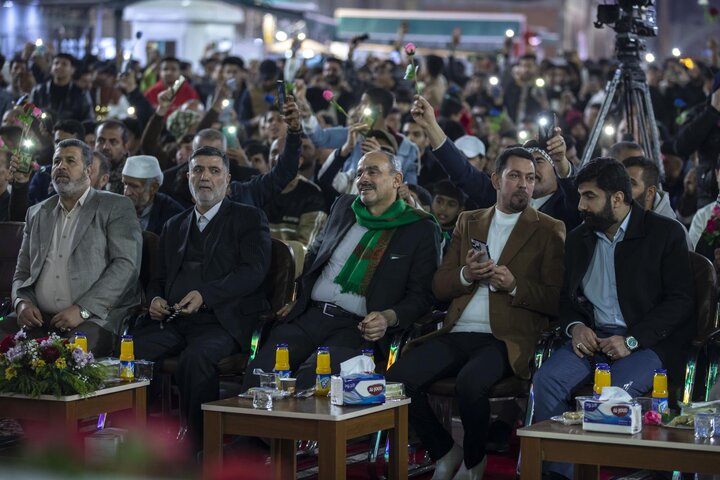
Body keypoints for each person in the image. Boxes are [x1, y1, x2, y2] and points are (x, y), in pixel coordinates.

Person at [387, 147, 565, 480]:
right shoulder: (470, 221)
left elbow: (554, 300)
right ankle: (444, 450)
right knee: (396, 382)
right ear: (496, 180)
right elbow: (439, 286)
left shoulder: (549, 229)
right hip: (458, 330)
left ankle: (474, 461)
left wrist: (514, 285)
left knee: (471, 384)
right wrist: (466, 275)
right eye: (515, 176)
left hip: (504, 337)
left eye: (531, 178)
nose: (524, 185)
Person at [532, 157, 694, 480]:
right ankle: (558, 474)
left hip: (648, 342)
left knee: (608, 397)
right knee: (545, 382)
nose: (580, 205)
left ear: (617, 198)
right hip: (593, 339)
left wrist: (632, 340)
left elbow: (680, 302)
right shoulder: (580, 239)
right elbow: (566, 300)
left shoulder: (664, 234)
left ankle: (634, 472)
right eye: (581, 195)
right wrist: (575, 327)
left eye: (589, 196)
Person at [242, 150, 442, 392]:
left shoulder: (419, 228)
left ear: (397, 180)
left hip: (357, 330)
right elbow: (315, 257)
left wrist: (388, 317)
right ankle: (255, 431)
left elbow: (421, 295)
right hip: (309, 318)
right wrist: (296, 298)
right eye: (359, 173)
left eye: (373, 171)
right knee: (259, 377)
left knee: (313, 386)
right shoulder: (344, 207)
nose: (363, 178)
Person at [132, 145, 271, 452]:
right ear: (188, 177)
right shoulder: (175, 224)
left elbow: (254, 272)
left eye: (214, 170)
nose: (205, 177)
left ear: (228, 180)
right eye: (197, 170)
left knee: (195, 359)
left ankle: (199, 445)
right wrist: (155, 299)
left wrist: (206, 295)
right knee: (134, 350)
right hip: (174, 319)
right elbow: (158, 279)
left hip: (224, 320)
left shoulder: (249, 218)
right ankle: (142, 438)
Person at [8, 139, 142, 356]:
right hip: (40, 317)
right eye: (57, 161)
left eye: (70, 161)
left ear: (89, 170)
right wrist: (21, 302)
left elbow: (126, 266)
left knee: (70, 357)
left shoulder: (115, 206)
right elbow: (22, 270)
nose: (61, 166)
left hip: (95, 318)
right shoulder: (37, 213)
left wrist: (83, 310)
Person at [411, 95, 581, 231]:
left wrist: (562, 163)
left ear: (555, 169)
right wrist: (430, 125)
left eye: (538, 161)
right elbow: (462, 171)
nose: (531, 169)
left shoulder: (567, 207)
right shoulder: (502, 197)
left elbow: (576, 198)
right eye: (522, 167)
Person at [621, 155, 692, 248]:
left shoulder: (674, 233)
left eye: (631, 183)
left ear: (650, 193)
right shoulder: (613, 223)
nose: (621, 190)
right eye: (620, 182)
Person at [121, 155, 184, 235]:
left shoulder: (173, 216)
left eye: (134, 186)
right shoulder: (116, 206)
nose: (126, 192)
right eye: (125, 184)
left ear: (154, 188)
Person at [29, 53, 94, 122]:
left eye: (64, 64)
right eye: (56, 63)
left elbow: (88, 120)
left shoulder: (81, 94)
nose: (59, 66)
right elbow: (30, 115)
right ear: (51, 68)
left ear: (72, 70)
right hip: (42, 130)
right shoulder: (39, 91)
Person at [95, 120, 130, 194]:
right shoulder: (85, 173)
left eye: (113, 142)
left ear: (125, 147)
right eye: (101, 141)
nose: (105, 147)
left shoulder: (131, 178)